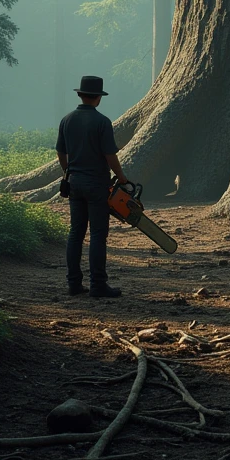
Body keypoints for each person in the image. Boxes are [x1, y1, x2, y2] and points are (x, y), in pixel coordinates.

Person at [56, 75, 129, 298]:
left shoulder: (66, 120)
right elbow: (109, 155)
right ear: (98, 98)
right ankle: (98, 284)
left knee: (75, 233)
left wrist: (67, 172)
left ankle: (73, 283)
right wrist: (122, 178)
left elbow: (61, 151)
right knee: (98, 234)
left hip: (75, 183)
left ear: (80, 94)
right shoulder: (102, 122)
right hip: (97, 184)